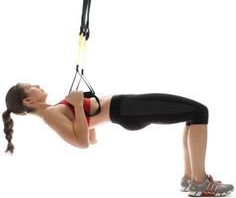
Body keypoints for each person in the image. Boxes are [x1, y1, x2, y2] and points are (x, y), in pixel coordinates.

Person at [2, 82, 234, 197]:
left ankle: (190, 179)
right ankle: (201, 183)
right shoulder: (50, 115)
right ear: (28, 102)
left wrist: (80, 109)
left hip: (125, 109)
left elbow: (89, 136)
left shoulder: (52, 110)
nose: (36, 85)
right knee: (198, 111)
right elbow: (81, 143)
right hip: (125, 109)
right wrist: (76, 106)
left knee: (192, 114)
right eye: (30, 86)